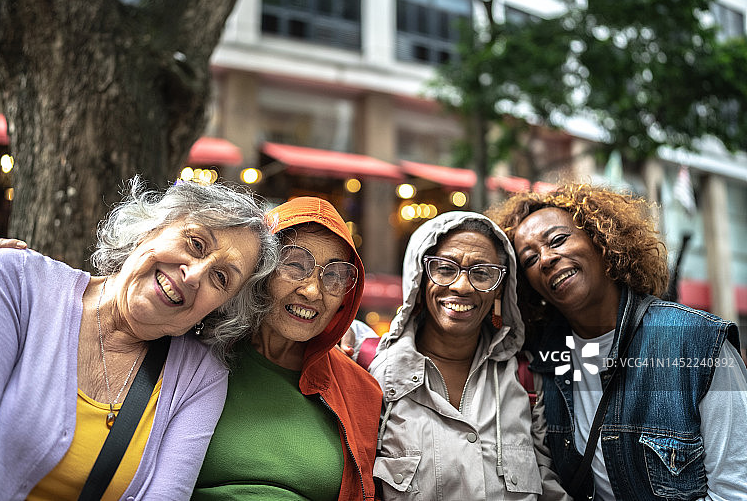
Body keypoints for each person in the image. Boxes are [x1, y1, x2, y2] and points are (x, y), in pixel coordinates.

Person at [0, 177, 278, 500]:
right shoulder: (12, 281)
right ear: (152, 228)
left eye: (220, 278)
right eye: (195, 243)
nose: (193, 275)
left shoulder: (201, 378)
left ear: (219, 310)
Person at [488, 183, 747, 501]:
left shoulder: (698, 342)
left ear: (600, 239)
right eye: (528, 260)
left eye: (558, 240)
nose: (545, 259)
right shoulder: (541, 361)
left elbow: (735, 489)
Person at [359, 211, 568, 500]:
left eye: (482, 273)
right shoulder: (374, 376)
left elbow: (551, 490)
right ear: (419, 280)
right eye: (445, 269)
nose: (462, 286)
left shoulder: (526, 381)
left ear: (499, 290)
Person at [191, 196, 382, 500]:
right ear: (260, 270)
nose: (312, 290)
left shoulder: (361, 391)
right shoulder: (193, 353)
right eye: (295, 265)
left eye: (333, 276)